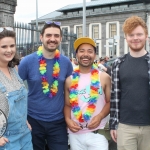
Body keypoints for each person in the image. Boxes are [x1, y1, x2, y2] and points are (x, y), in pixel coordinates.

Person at [18, 22, 73, 150]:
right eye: (48, 35)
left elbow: (71, 92)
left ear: (60, 38)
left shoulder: (66, 63)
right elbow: (16, 90)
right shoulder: (27, 62)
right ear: (41, 37)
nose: (52, 39)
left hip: (58, 122)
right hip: (32, 120)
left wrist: (70, 118)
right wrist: (21, 118)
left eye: (56, 36)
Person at [109, 16, 150, 150]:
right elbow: (114, 96)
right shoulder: (117, 64)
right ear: (126, 38)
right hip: (125, 126)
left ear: (146, 35)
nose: (135, 38)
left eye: (139, 34)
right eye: (131, 35)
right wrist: (113, 124)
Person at [64, 37, 111, 150]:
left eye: (90, 51)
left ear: (94, 55)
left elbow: (110, 102)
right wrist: (67, 120)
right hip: (75, 134)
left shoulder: (104, 77)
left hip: (98, 133)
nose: (85, 54)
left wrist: (99, 116)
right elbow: (67, 105)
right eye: (81, 51)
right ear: (76, 54)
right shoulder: (69, 80)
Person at [0, 27, 32, 149]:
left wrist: (25, 120)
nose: (9, 50)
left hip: (24, 135)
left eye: (12, 46)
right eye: (4, 47)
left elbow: (20, 102)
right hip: (6, 139)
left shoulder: (14, 69)